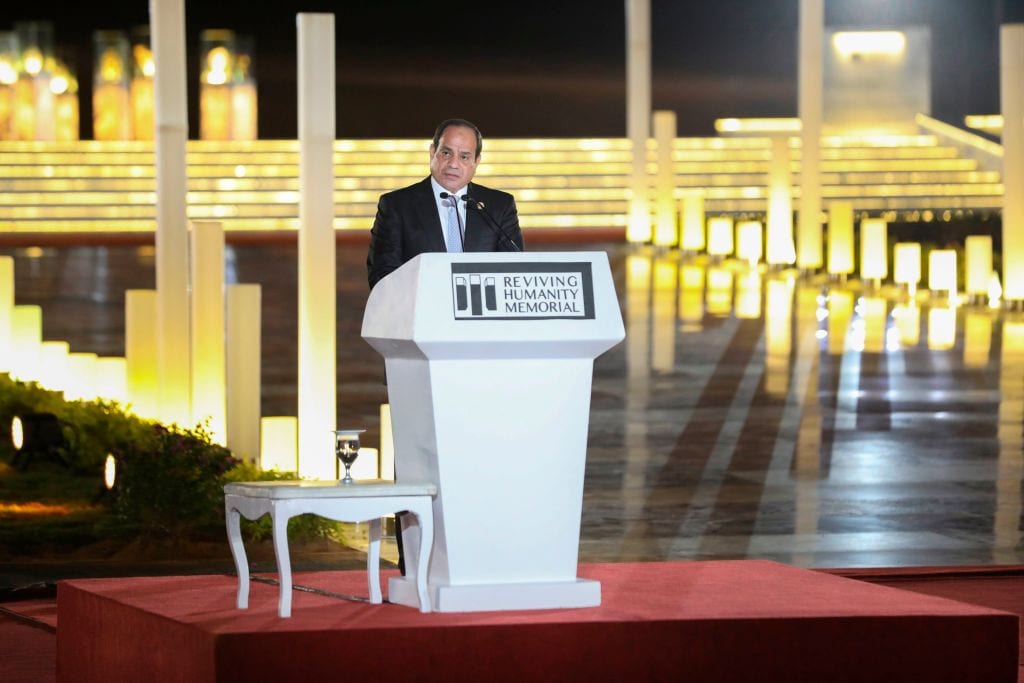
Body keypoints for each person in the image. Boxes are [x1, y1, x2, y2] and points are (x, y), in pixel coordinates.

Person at [366, 118, 524, 289]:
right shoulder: (396, 206)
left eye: (464, 156)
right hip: (421, 312)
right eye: (446, 153)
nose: (454, 164)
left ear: (476, 161)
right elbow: (383, 276)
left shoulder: (499, 206)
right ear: (432, 152)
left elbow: (514, 273)